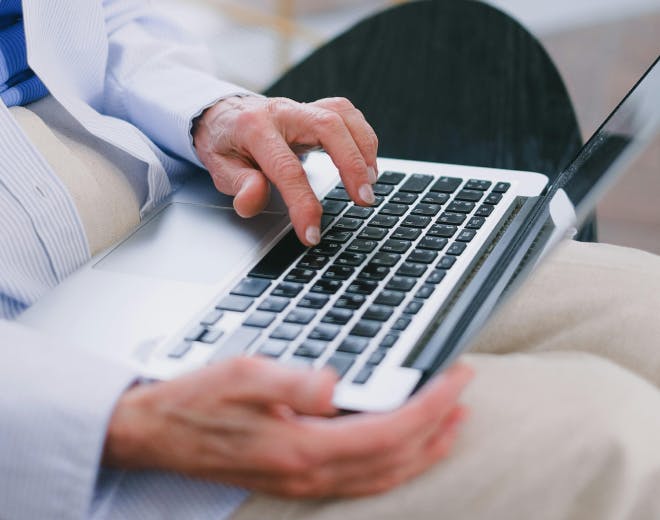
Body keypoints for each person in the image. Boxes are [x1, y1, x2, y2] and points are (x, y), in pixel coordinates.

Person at [1, 1, 660, 519]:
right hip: (44, 409)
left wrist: (209, 110)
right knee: (614, 441)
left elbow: (105, 19)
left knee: (647, 311)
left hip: (164, 201)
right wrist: (112, 418)